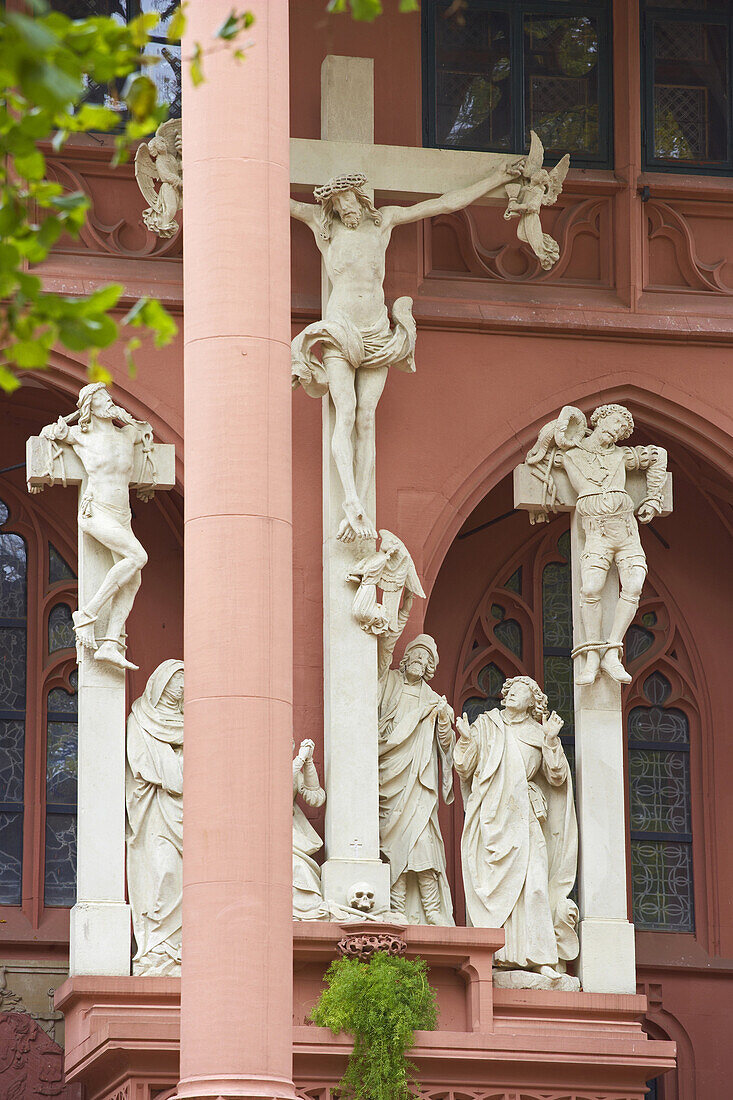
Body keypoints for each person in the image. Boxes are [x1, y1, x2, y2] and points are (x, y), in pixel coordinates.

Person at [290, 162, 522, 542]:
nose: (346, 211)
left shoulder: (383, 222)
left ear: (361, 201)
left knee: (366, 419)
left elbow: (444, 205)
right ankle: (350, 499)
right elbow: (271, 191)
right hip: (340, 329)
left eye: (350, 204)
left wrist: (498, 178)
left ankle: (360, 500)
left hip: (378, 331)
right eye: (339, 206)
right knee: (343, 414)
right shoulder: (323, 225)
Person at [526, 403, 667, 685]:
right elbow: (539, 455)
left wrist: (653, 497)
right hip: (596, 533)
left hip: (626, 532)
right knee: (590, 589)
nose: (618, 432)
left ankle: (612, 651)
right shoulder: (570, 455)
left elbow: (658, 455)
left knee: (635, 585)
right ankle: (591, 654)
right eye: (616, 424)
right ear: (600, 420)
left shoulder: (622, 456)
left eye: (623, 431)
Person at [455, 676, 578, 978]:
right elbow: (464, 767)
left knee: (535, 885)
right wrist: (466, 737)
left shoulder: (540, 733)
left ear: (533, 702)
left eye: (521, 692)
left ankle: (541, 957)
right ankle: (496, 956)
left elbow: (557, 777)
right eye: (510, 690)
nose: (512, 695)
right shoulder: (486, 726)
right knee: (494, 883)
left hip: (526, 818)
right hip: (492, 815)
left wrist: (550, 741)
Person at [33, 383, 155, 670]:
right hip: (96, 511)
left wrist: (125, 415)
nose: (108, 401)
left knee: (133, 578)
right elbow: (46, 437)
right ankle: (86, 614)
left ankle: (111, 643)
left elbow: (144, 427)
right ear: (89, 406)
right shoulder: (80, 436)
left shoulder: (127, 435)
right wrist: (55, 431)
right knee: (138, 558)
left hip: (122, 514)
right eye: (102, 398)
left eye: (109, 397)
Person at [377, 628, 455, 925]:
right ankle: (396, 909)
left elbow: (445, 744)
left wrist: (444, 720)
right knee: (393, 842)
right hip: (390, 774)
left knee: (422, 841)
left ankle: (432, 910)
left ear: (429, 668)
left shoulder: (432, 699)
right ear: (407, 658)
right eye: (417, 655)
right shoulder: (390, 683)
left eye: (426, 659)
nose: (420, 661)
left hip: (419, 779)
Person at [126, 660, 184, 975]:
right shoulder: (140, 720)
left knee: (185, 878)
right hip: (154, 813)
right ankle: (156, 948)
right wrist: (172, 770)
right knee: (165, 873)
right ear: (161, 685)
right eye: (177, 682)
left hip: (185, 815)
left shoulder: (194, 722)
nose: (181, 690)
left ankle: (176, 950)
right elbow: (140, 765)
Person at [292, 738, 328, 920]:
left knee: (301, 867)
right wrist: (300, 758)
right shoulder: (263, 770)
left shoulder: (296, 771)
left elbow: (316, 798)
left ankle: (309, 908)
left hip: (292, 832)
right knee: (295, 866)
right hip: (267, 830)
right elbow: (278, 788)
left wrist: (308, 762)